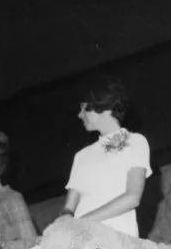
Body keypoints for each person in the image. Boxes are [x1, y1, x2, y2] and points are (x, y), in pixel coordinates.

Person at [60, 79, 152, 237]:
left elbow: (132, 197)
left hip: (117, 238)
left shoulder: (135, 141)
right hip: (83, 241)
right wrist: (64, 222)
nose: (79, 115)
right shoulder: (82, 156)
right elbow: (69, 207)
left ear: (104, 107)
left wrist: (84, 221)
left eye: (84, 108)